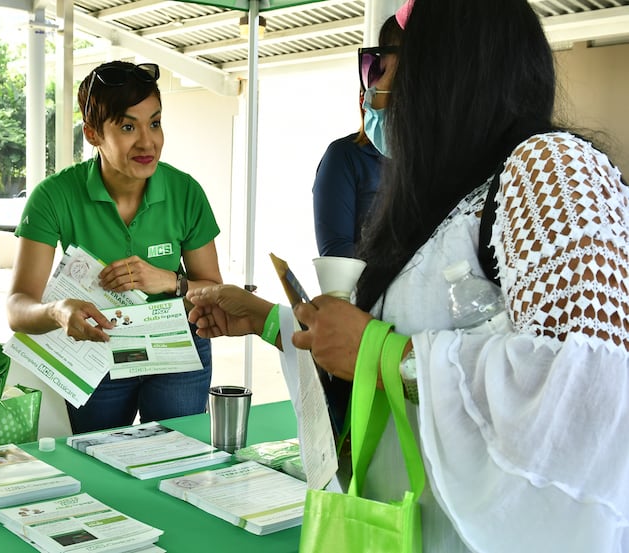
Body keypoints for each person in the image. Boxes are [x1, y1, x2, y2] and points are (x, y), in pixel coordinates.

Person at [188, 0, 629, 551]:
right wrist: (266, 320)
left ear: (450, 68)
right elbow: (395, 335)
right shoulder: (449, 199)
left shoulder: (550, 165)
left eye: (385, 61)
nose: (376, 86)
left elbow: (585, 386)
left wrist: (384, 355)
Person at [6, 60, 223, 434]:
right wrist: (58, 311)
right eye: (127, 126)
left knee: (177, 460)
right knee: (97, 463)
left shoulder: (185, 191)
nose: (147, 141)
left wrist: (171, 282)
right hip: (95, 349)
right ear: (92, 134)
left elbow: (215, 292)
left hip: (176, 349)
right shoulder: (54, 196)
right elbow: (17, 308)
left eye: (154, 122)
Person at [313, 14, 402, 433]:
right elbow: (337, 256)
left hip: (411, 350)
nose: (376, 92)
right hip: (363, 333)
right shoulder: (345, 157)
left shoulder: (439, 172)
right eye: (372, 78)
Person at [312, 14, 402, 258]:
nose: (371, 90)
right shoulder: (345, 156)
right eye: (372, 71)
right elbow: (337, 255)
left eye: (384, 71)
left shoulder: (443, 163)